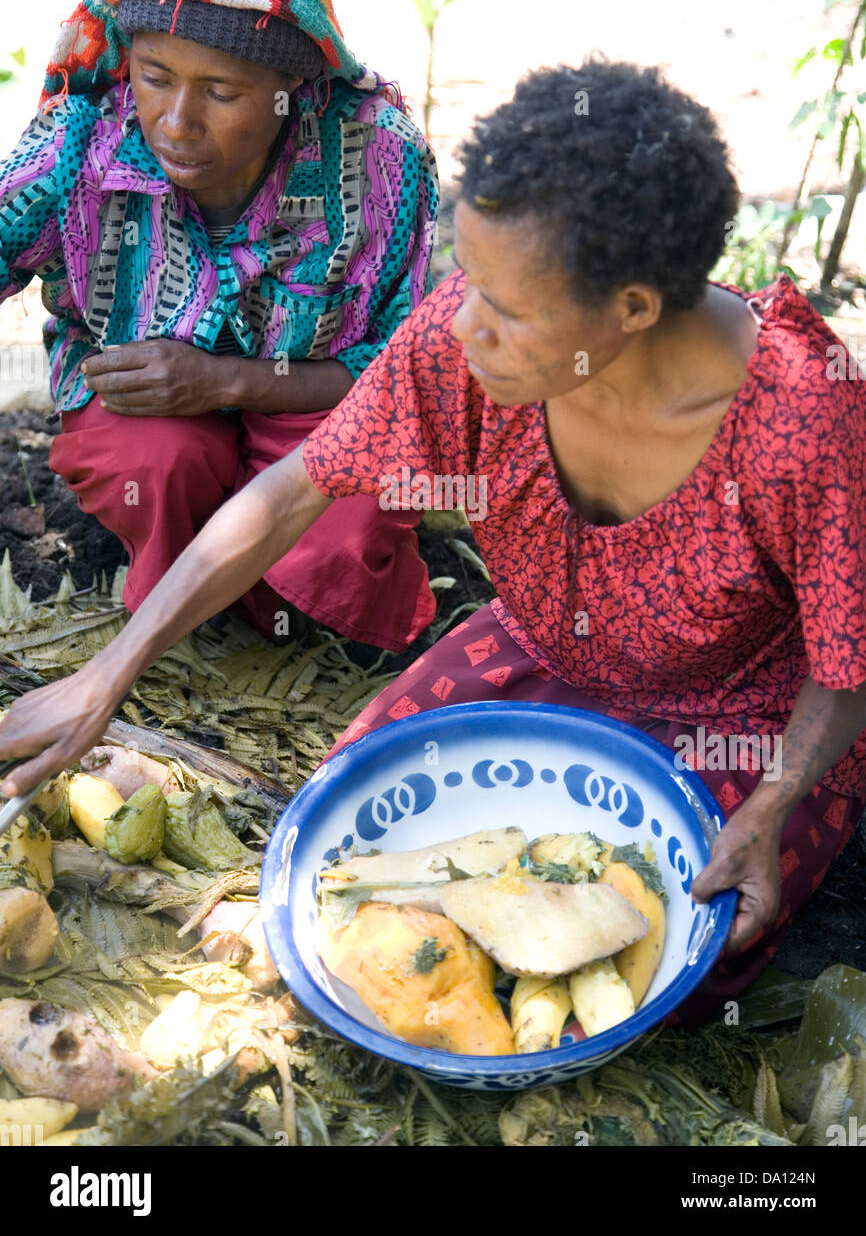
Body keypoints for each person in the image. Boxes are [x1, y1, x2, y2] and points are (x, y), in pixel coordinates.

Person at [2, 58, 865, 1022]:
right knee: (348, 856)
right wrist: (106, 674)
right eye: (468, 278)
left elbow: (848, 659)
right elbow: (289, 495)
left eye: (507, 307)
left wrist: (774, 802)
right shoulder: (459, 346)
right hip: (548, 647)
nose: (463, 323)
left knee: (668, 948)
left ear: (630, 310)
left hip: (745, 706)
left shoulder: (801, 415)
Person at [0, 0, 439, 651]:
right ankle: (181, 595)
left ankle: (292, 603)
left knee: (341, 531)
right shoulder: (85, 137)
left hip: (316, 401)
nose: (176, 121)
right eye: (155, 75)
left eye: (222, 93)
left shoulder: (377, 157)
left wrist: (226, 380)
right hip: (146, 408)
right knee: (155, 464)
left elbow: (402, 369)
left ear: (291, 85)